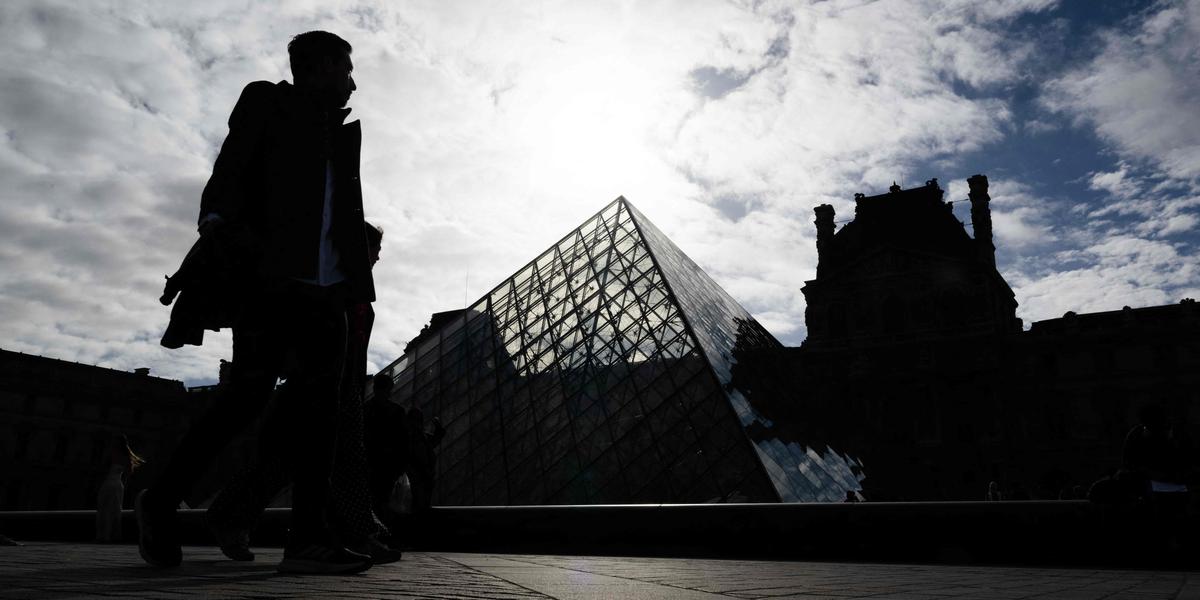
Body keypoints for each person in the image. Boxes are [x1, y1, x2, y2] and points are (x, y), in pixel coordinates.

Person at [137, 30, 377, 575]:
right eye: (346, 69)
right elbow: (230, 168)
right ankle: (161, 496)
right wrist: (218, 223)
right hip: (271, 278)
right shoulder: (267, 101)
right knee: (246, 397)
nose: (353, 82)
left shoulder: (338, 134)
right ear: (316, 69)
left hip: (329, 289)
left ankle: (308, 540)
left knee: (322, 418)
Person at [206, 224, 401, 564]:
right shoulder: (324, 283)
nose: (378, 258)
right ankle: (231, 516)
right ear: (357, 249)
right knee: (284, 462)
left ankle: (357, 534)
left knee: (343, 463)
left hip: (343, 387)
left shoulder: (356, 294)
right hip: (313, 383)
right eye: (374, 250)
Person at [95, 434, 143, 542]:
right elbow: (127, 475)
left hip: (108, 483)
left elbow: (103, 470)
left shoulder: (111, 454)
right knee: (115, 510)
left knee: (104, 508)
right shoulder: (126, 457)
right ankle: (111, 535)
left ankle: (103, 535)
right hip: (118, 485)